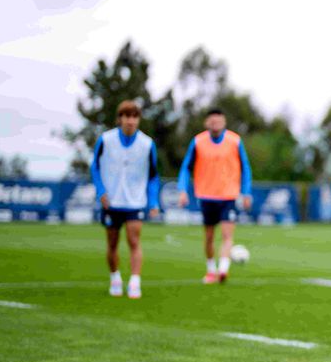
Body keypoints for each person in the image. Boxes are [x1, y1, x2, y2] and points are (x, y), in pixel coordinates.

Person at [91, 100, 161, 299]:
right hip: (111, 201)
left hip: (135, 202)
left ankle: (134, 281)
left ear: (138, 120)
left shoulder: (147, 144)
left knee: (134, 240)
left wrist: (153, 202)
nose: (130, 121)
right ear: (120, 119)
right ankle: (115, 278)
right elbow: (94, 167)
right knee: (112, 244)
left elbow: (154, 175)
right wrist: (101, 191)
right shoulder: (105, 140)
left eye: (134, 117)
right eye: (126, 116)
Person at [177, 108, 253, 284]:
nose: (215, 124)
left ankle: (223, 270)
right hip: (206, 196)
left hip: (228, 196)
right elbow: (185, 167)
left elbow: (246, 168)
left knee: (227, 235)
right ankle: (211, 270)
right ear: (206, 123)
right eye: (212, 121)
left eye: (218, 121)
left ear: (224, 122)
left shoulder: (235, 141)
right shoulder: (198, 141)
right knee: (209, 237)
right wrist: (182, 190)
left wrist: (246, 192)